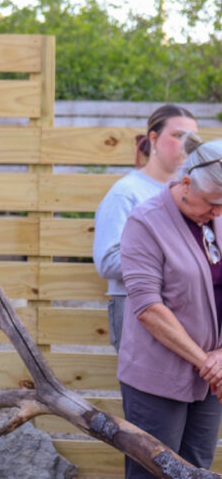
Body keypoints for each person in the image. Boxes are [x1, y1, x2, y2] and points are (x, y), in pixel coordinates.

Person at [118, 134, 222, 478]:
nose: (217, 212)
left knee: (196, 468)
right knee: (154, 472)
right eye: (212, 203)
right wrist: (208, 362)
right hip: (158, 378)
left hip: (210, 379)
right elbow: (148, 307)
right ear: (187, 183)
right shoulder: (145, 222)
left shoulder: (217, 215)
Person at [93, 105, 198, 351]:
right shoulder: (126, 193)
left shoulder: (195, 194)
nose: (187, 145)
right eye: (178, 136)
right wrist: (174, 261)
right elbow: (107, 261)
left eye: (192, 139)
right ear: (153, 139)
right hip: (136, 311)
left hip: (184, 314)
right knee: (146, 389)